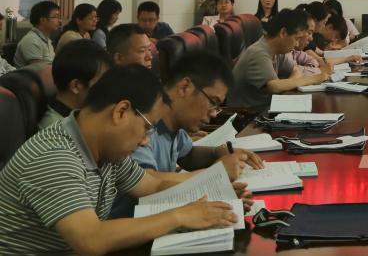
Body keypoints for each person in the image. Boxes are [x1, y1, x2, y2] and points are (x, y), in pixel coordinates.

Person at [0, 65, 239, 255]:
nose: (145, 141)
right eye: (147, 128)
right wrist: (180, 216)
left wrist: (216, 192)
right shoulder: (54, 156)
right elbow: (91, 239)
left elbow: (152, 184)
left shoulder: (105, 150)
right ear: (121, 111)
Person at [111, 52, 260, 218]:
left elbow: (187, 156)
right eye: (213, 102)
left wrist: (218, 153)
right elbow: (148, 181)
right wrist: (216, 175)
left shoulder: (176, 123)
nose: (213, 113)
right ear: (184, 87)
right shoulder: (141, 122)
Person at [229, 9, 333, 111]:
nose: (297, 44)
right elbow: (274, 86)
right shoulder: (259, 52)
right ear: (283, 33)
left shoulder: (278, 50)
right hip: (247, 115)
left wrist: (290, 82)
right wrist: (314, 79)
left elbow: (296, 70)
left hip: (267, 108)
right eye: (296, 38)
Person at [38, 39, 113, 130]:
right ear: (76, 86)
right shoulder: (56, 130)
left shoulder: (77, 116)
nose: (107, 88)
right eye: (102, 82)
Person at [13, 0, 60, 69]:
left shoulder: (47, 40)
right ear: (43, 20)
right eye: (56, 17)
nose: (59, 20)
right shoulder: (31, 40)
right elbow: (38, 71)